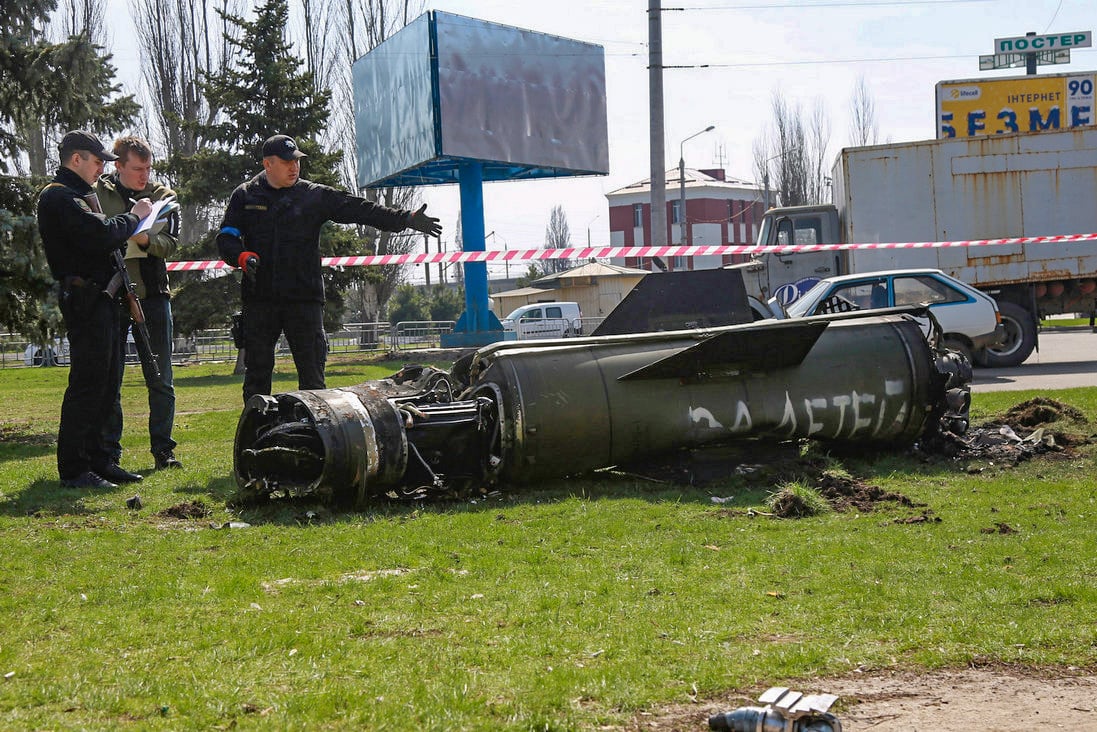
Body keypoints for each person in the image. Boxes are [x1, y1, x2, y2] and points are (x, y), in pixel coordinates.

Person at [216, 134, 443, 401]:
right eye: (287, 162)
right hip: (260, 299)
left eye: (297, 161)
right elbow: (226, 237)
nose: (294, 167)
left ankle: (316, 427)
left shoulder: (313, 195)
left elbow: (360, 209)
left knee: (313, 379)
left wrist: (405, 218)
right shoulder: (245, 195)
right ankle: (255, 427)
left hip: (304, 299)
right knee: (256, 377)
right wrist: (241, 256)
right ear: (268, 164)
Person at [37, 130, 154, 489]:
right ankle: (75, 468)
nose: (102, 168)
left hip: (102, 299)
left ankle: (100, 460)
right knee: (88, 384)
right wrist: (133, 217)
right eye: (97, 161)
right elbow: (100, 234)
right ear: (77, 159)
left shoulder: (78, 195)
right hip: (85, 300)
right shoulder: (59, 197)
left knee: (106, 384)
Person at [96, 136, 183, 471]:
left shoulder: (163, 195)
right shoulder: (98, 192)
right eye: (136, 168)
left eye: (148, 168)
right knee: (111, 378)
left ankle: (163, 450)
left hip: (153, 295)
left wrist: (144, 237)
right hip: (110, 295)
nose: (144, 175)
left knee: (160, 377)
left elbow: (170, 242)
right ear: (118, 165)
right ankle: (109, 453)